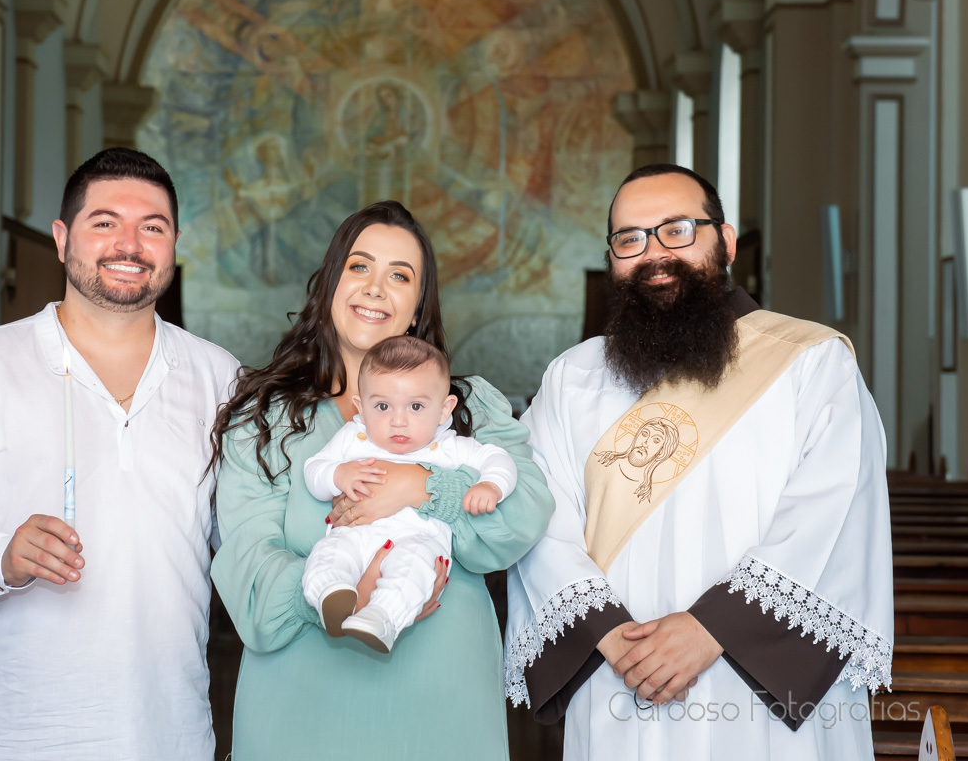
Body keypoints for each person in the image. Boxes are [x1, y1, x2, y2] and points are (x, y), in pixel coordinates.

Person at [505, 163, 893, 760]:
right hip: (619, 677)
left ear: (727, 241)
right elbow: (537, 512)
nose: (655, 253)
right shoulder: (571, 380)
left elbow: (834, 514)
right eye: (630, 239)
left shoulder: (810, 364)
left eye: (678, 230)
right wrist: (610, 637)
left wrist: (712, 629)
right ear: (612, 259)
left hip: (758, 691)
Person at [0, 148, 237, 761]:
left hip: (170, 729)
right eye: (104, 223)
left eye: (152, 227)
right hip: (19, 732)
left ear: (174, 243)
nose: (129, 244)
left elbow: (247, 535)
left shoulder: (219, 378)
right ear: (62, 236)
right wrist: (0, 554)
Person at [210, 200, 555, 761]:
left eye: (400, 276)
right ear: (327, 286)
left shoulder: (467, 410)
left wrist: (419, 486)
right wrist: (345, 596)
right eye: (359, 267)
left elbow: (522, 519)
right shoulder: (264, 421)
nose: (376, 288)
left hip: (442, 712)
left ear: (418, 305)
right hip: (299, 714)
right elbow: (248, 579)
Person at [302, 335, 518, 652]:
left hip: (418, 539)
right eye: (382, 406)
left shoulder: (448, 446)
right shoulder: (353, 436)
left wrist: (491, 485)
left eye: (416, 406)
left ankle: (382, 618)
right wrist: (337, 473)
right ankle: (331, 594)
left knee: (414, 569)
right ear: (361, 407)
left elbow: (498, 460)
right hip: (355, 534)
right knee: (329, 553)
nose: (398, 421)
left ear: (444, 410)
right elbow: (314, 470)